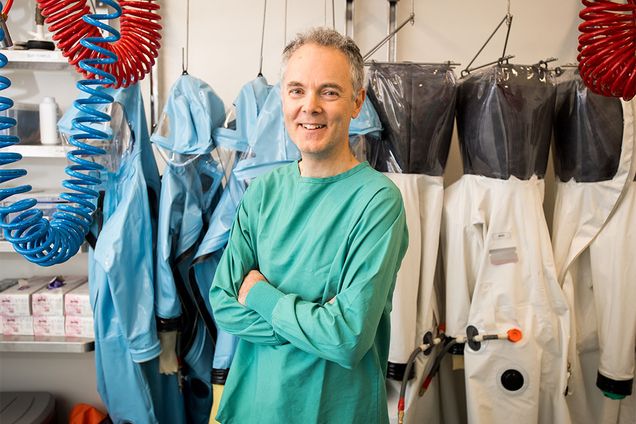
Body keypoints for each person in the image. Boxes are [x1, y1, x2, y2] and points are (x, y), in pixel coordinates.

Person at [209, 27, 409, 423]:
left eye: (329, 92)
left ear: (356, 103)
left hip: (338, 411)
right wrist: (316, 324)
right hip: (256, 407)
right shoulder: (262, 193)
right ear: (282, 98)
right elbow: (223, 304)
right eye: (297, 90)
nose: (310, 106)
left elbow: (348, 339)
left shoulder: (376, 201)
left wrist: (262, 296)